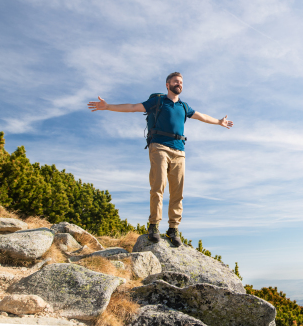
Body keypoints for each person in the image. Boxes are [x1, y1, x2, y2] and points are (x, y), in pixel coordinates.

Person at [87, 72, 233, 246]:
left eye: (181, 82)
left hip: (179, 151)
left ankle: (173, 229)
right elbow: (133, 107)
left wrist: (218, 122)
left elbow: (201, 116)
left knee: (178, 192)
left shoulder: (184, 106)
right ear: (167, 85)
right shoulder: (158, 102)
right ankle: (154, 225)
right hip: (159, 147)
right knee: (158, 186)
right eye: (175, 81)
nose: (179, 84)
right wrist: (108, 106)